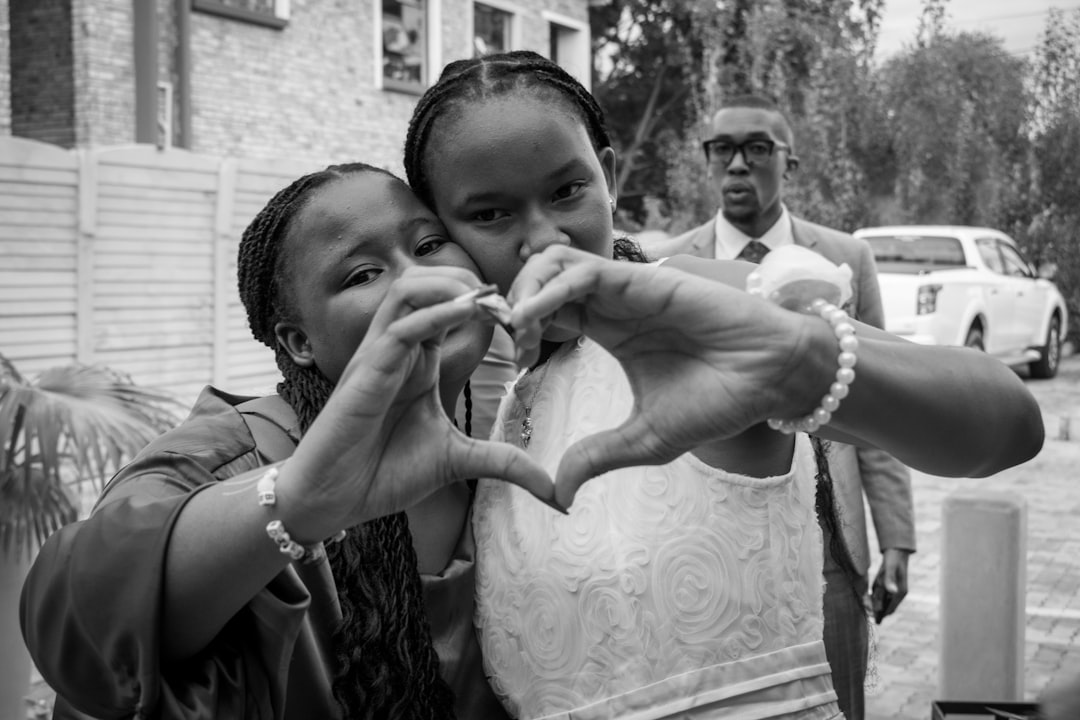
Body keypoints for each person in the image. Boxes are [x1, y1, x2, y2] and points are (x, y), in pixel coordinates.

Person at [403, 50, 1042, 720]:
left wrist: (803, 366)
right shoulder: (500, 403)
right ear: (439, 233)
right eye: (491, 214)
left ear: (609, 175)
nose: (544, 236)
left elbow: (1010, 424)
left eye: (567, 191)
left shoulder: (692, 302)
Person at [19, 162, 557, 720]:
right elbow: (82, 623)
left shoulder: (504, 441)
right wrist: (299, 500)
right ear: (299, 341)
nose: (419, 282)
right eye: (362, 275)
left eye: (429, 244)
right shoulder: (230, 456)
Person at [655, 93, 915, 719]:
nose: (738, 164)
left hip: (828, 541)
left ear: (789, 164)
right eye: (723, 149)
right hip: (708, 541)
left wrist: (897, 536)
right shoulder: (670, 265)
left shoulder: (846, 259)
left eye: (758, 149)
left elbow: (877, 407)